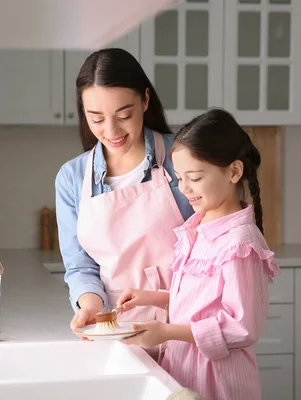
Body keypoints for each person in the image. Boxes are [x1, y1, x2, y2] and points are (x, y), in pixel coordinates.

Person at [117, 108, 279, 400]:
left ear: (234, 171)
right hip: (184, 368)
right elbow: (203, 300)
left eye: (194, 177)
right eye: (179, 178)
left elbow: (242, 327)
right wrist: (151, 297)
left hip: (218, 379)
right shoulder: (197, 228)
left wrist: (167, 332)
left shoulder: (239, 244)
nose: (185, 188)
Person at [54, 48, 194, 338]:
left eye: (124, 114)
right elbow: (80, 267)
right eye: (96, 118)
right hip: (117, 328)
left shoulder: (182, 157)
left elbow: (214, 245)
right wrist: (90, 305)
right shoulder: (72, 178)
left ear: (145, 100)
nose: (111, 130)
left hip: (185, 320)